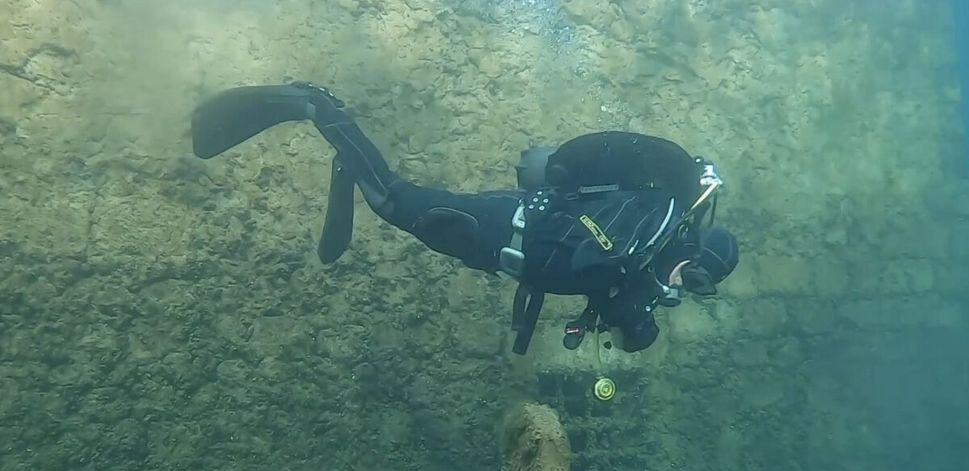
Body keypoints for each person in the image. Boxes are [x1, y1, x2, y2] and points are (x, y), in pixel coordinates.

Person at [190, 81, 739, 356]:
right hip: (498, 229)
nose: (684, 288)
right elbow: (592, 258)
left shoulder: (650, 244)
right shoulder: (656, 219)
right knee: (391, 200)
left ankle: (348, 164)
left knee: (391, 202)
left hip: (499, 239)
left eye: (697, 289)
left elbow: (601, 290)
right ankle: (314, 105)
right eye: (693, 277)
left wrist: (633, 300)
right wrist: (642, 293)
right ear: (692, 251)